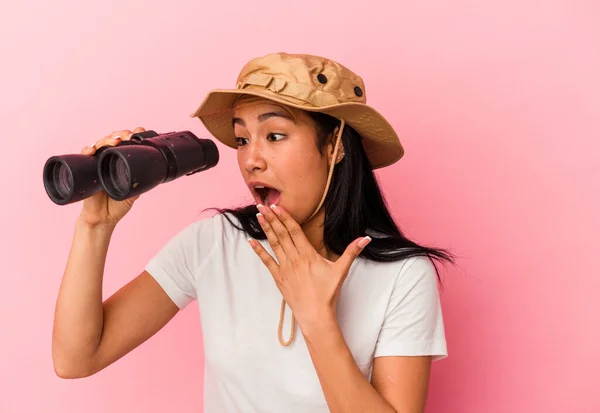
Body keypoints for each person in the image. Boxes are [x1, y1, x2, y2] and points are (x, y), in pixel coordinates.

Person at [52, 52, 454, 413]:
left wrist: (316, 318)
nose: (251, 161)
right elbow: (76, 359)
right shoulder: (215, 242)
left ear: (334, 147)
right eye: (242, 139)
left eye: (274, 135)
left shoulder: (402, 275)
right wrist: (95, 224)